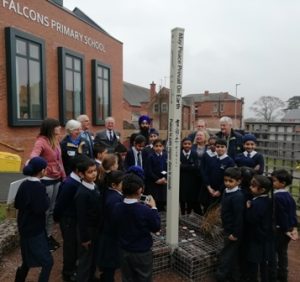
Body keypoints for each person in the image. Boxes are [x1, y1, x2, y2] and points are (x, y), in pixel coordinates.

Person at [112, 173, 161, 282]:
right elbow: (156, 227)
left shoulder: (117, 207)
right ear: (140, 190)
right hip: (141, 252)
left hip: (123, 250)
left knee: (127, 278)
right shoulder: (145, 210)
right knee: (144, 278)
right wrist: (154, 207)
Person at [14, 157, 53, 282]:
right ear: (42, 171)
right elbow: (41, 208)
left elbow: (17, 204)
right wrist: (46, 197)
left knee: (27, 260)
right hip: (34, 230)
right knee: (48, 262)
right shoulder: (39, 187)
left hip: (24, 227)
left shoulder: (24, 184)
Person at [29, 118, 65, 251]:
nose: (60, 128)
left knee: (51, 210)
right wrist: (41, 167)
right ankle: (41, 238)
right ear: (51, 128)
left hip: (57, 178)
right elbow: (34, 156)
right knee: (45, 210)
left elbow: (59, 160)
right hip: (47, 179)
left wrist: (64, 176)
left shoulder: (55, 140)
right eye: (57, 126)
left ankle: (48, 235)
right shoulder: (41, 141)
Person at [53, 155, 89, 282]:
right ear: (78, 170)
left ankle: (74, 268)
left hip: (74, 218)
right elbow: (60, 204)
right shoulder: (69, 184)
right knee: (70, 246)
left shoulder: (77, 180)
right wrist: (58, 218)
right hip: (68, 220)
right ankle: (68, 273)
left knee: (75, 245)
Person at [74, 157, 102, 282]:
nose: (94, 174)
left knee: (93, 257)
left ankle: (91, 277)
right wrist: (85, 238)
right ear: (81, 174)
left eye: (95, 170)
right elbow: (81, 218)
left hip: (95, 228)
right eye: (90, 172)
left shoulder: (93, 185)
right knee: (85, 259)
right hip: (87, 230)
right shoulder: (82, 193)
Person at [216, 167, 245, 282]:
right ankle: (233, 276)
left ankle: (221, 275)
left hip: (232, 231)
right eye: (225, 180)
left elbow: (239, 217)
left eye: (230, 181)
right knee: (230, 253)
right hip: (227, 228)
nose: (227, 183)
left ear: (238, 181)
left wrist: (235, 233)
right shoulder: (226, 191)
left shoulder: (238, 196)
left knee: (227, 254)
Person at [243, 175, 274, 282]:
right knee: (263, 261)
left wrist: (248, 208)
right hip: (265, 235)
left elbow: (251, 219)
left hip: (256, 237)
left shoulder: (256, 203)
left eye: (253, 186)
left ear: (262, 190)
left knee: (253, 262)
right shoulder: (268, 200)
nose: (250, 187)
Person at [97, 170, 125, 282]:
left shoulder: (109, 193)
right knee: (110, 265)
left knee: (108, 264)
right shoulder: (115, 200)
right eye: (122, 183)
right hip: (111, 237)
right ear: (114, 185)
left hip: (106, 234)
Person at [271, 169, 298, 282]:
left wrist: (286, 229)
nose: (272, 183)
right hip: (288, 229)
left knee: (275, 252)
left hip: (280, 229)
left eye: (274, 181)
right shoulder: (289, 196)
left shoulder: (277, 197)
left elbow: (281, 216)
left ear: (282, 183)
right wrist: (294, 228)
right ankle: (283, 275)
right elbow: (292, 213)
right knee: (283, 252)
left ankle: (276, 275)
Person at [202, 138, 235, 213]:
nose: (220, 149)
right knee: (206, 210)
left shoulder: (230, 161)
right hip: (209, 190)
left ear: (226, 148)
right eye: (218, 146)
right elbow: (206, 173)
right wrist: (209, 187)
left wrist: (219, 191)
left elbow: (229, 178)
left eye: (222, 147)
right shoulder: (212, 159)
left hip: (221, 192)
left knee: (216, 213)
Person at [145, 138, 168, 211]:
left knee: (162, 200)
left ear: (163, 147)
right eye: (156, 146)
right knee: (155, 200)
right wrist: (157, 179)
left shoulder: (165, 155)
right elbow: (149, 171)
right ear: (153, 147)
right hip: (154, 182)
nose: (158, 148)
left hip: (163, 181)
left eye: (160, 146)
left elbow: (167, 168)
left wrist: (164, 178)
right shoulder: (150, 156)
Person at [179, 137, 200, 215]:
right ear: (182, 144)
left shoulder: (194, 153)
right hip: (182, 179)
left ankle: (188, 213)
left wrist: (183, 166)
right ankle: (183, 213)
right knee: (182, 198)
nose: (187, 145)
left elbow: (196, 167)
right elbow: (177, 167)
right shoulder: (179, 153)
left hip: (192, 180)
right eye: (185, 144)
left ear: (191, 145)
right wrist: (190, 166)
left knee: (190, 198)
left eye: (189, 144)